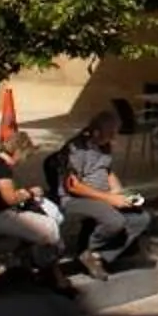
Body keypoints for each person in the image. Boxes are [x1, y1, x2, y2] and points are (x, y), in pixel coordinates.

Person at [0, 125, 65, 282]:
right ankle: (50, 273)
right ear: (19, 152)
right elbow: (9, 198)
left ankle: (23, 265)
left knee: (33, 230)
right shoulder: (1, 167)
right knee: (50, 228)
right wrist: (30, 193)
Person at [58, 112, 149, 276]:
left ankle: (97, 256)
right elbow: (73, 186)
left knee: (140, 218)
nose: (114, 138)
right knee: (114, 220)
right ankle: (90, 253)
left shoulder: (104, 145)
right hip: (76, 198)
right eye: (111, 133)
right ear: (97, 132)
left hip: (102, 195)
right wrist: (109, 198)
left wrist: (120, 192)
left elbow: (107, 171)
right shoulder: (77, 149)